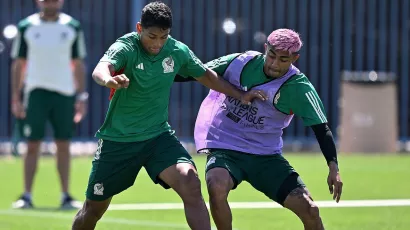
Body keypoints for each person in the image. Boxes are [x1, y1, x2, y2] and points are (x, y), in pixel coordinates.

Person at [71, 2, 265, 230]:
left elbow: (207, 76)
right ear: (139, 28)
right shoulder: (126, 46)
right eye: (152, 36)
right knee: (93, 210)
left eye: (163, 37)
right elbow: (100, 68)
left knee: (190, 181)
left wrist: (240, 95)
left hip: (158, 137)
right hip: (119, 141)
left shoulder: (176, 50)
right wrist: (109, 79)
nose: (157, 44)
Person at [191, 28, 343, 230]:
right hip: (226, 147)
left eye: (283, 59)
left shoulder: (298, 87)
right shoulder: (241, 62)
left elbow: (321, 128)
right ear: (265, 48)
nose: (274, 64)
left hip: (265, 156)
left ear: (295, 58)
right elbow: (198, 72)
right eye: (271, 56)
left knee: (310, 209)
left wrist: (333, 167)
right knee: (216, 186)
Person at [10, 0, 87, 209]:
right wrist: (16, 97)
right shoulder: (27, 26)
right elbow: (18, 63)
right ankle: (26, 196)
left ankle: (66, 195)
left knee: (63, 144)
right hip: (35, 92)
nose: (50, 2)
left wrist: (81, 96)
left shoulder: (72, 26)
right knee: (32, 144)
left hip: (64, 93)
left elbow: (78, 62)